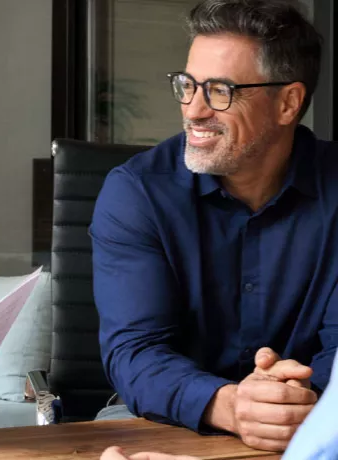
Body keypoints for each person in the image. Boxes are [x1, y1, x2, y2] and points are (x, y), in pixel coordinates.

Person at [90, 0, 338, 452]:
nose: (194, 110)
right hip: (160, 420)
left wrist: (296, 404)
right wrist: (234, 406)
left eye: (220, 90)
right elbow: (136, 353)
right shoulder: (137, 193)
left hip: (312, 425)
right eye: (188, 85)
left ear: (288, 102)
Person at [99, 350, 338, 460]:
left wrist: (299, 391)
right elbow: (135, 350)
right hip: (153, 410)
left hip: (309, 408)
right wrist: (232, 405)